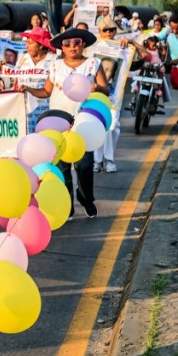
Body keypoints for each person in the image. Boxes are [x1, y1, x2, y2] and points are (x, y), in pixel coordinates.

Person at [25, 28, 109, 218]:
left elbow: (106, 89)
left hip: (83, 121)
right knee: (62, 167)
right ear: (61, 47)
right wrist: (28, 88)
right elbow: (46, 92)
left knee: (84, 165)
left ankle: (86, 199)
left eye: (77, 42)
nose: (72, 47)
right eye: (67, 43)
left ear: (83, 44)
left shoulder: (93, 64)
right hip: (58, 120)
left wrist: (96, 87)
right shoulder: (55, 66)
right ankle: (67, 206)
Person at [93, 17, 121, 173]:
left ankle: (109, 158)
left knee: (112, 125)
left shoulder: (122, 47)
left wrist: (132, 46)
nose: (109, 32)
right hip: (95, 91)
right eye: (105, 30)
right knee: (97, 123)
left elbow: (143, 57)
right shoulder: (92, 47)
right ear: (100, 32)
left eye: (112, 29)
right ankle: (97, 160)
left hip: (114, 91)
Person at [17, 26, 56, 134]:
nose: (26, 46)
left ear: (41, 45)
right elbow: (16, 81)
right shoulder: (23, 58)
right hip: (26, 112)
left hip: (46, 113)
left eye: (30, 43)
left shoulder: (54, 60)